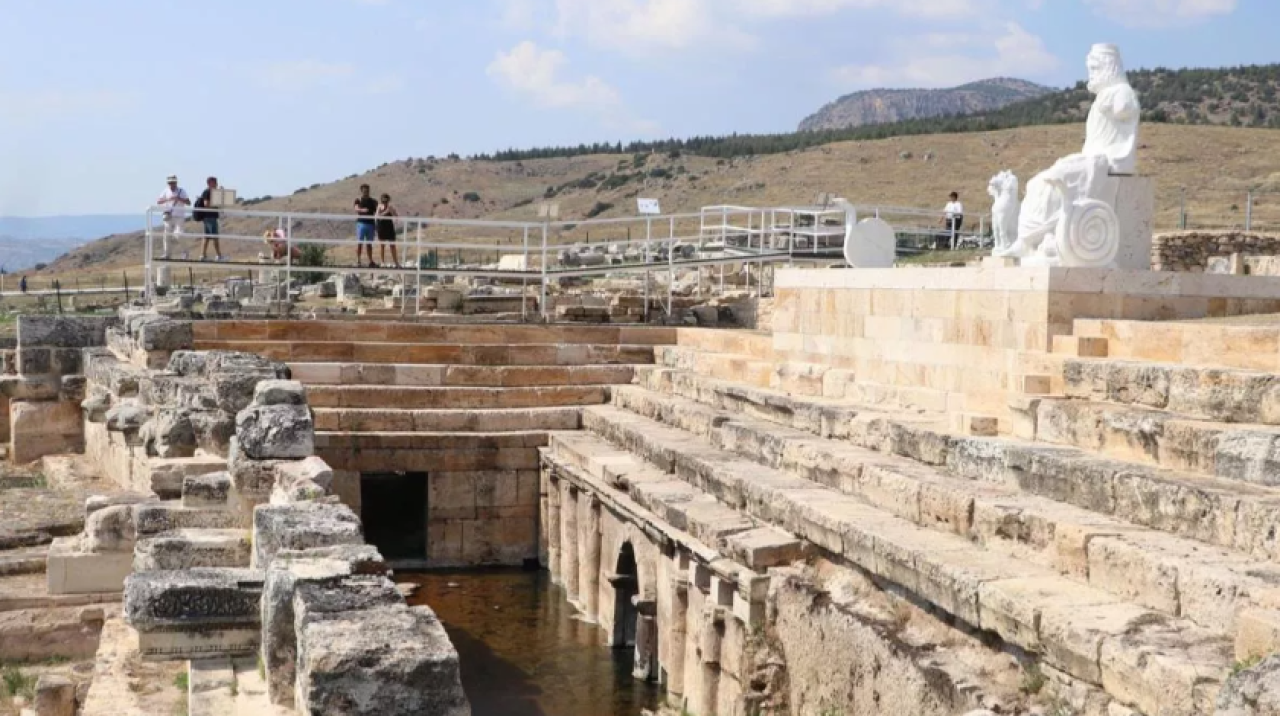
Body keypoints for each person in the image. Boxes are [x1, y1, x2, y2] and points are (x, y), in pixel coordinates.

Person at [156, 175, 190, 259]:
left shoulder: (181, 191)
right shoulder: (165, 191)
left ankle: (185, 252)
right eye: (170, 182)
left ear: (176, 182)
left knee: (178, 234)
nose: (172, 184)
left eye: (173, 182)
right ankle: (167, 254)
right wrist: (168, 199)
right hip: (168, 215)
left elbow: (188, 202)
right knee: (166, 235)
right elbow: (159, 201)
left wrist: (179, 199)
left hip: (179, 216)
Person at [193, 176, 224, 261]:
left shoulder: (212, 192)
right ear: (210, 183)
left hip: (210, 217)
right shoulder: (207, 192)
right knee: (214, 236)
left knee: (206, 237)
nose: (216, 183)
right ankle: (219, 256)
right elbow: (206, 204)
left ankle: (203, 255)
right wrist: (216, 204)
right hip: (210, 217)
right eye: (215, 182)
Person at [353, 184, 378, 268]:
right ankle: (358, 260)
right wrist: (362, 210)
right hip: (361, 223)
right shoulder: (358, 200)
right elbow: (356, 208)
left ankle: (370, 261)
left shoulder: (373, 201)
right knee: (360, 243)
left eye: (367, 190)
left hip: (370, 224)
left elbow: (377, 212)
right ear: (361, 191)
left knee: (369, 244)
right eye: (364, 190)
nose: (366, 192)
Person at [375, 193, 400, 268]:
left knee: (392, 245)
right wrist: (385, 212)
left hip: (389, 227)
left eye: (386, 201)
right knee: (382, 245)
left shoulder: (390, 207)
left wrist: (392, 212)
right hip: (381, 227)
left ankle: (396, 263)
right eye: (383, 201)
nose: (385, 203)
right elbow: (377, 216)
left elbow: (396, 216)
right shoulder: (379, 207)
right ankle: (382, 262)